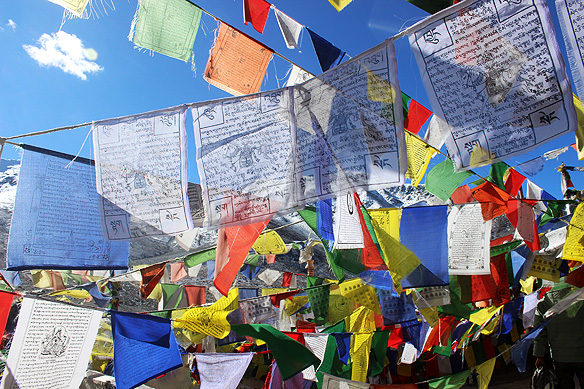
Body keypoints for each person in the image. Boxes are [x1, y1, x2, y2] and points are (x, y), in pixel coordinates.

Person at [533, 283, 584, 389]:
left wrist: (539, 355)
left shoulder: (543, 302)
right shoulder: (581, 293)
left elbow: (539, 332)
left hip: (559, 357)